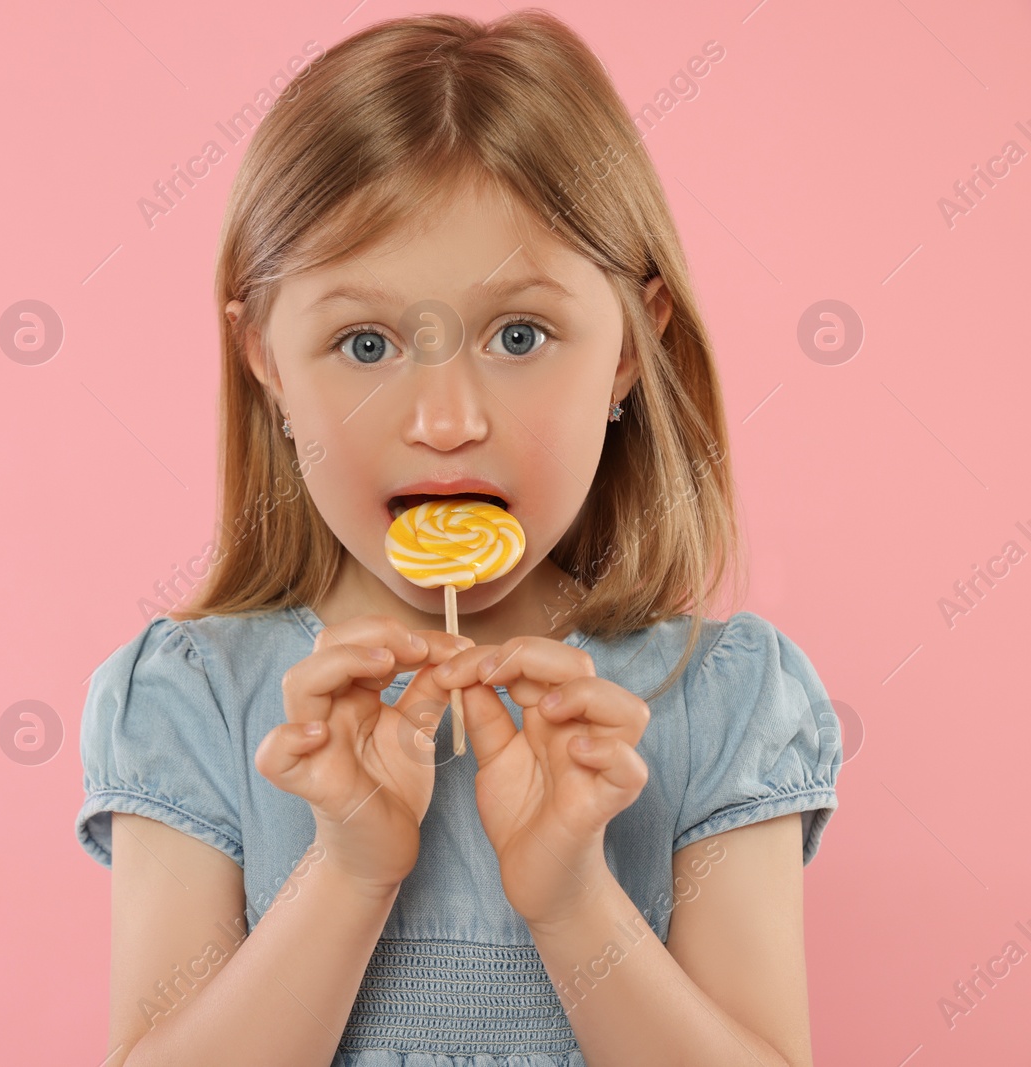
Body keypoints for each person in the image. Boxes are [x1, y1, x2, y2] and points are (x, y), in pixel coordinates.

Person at [75, 10, 842, 1066]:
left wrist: (574, 900)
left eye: (518, 335)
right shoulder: (194, 700)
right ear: (266, 359)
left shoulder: (721, 703)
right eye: (365, 341)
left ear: (630, 346)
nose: (445, 419)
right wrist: (346, 872)